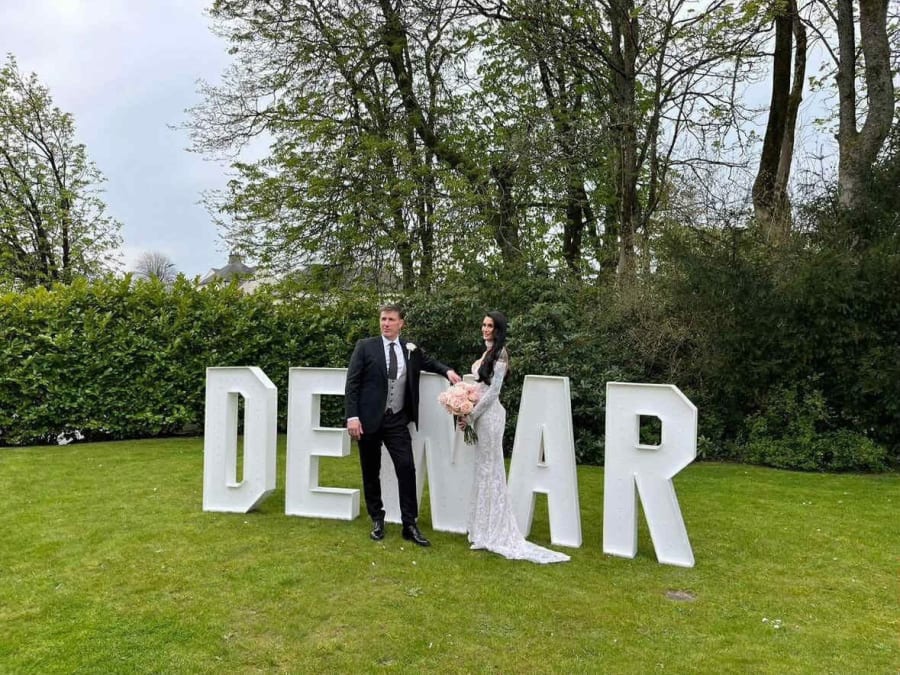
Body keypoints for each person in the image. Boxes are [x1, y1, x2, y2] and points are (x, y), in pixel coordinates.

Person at [345, 303, 461, 547]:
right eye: (383, 319)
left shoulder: (410, 349)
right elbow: (352, 384)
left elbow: (429, 362)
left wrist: (448, 371)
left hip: (396, 419)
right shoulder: (365, 347)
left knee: (407, 467)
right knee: (371, 471)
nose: (385, 323)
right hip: (368, 420)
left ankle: (409, 524)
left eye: (390, 319)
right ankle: (377, 519)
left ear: (401, 323)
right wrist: (352, 417)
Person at [459, 311, 570, 564]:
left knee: (491, 470)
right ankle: (482, 530)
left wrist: (472, 414)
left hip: (490, 417)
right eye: (484, 324)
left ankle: (494, 530)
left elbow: (493, 392)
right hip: (480, 415)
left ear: (498, 329)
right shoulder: (487, 353)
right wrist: (463, 402)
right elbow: (480, 388)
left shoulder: (501, 354)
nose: (485, 329)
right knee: (483, 470)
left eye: (490, 325)